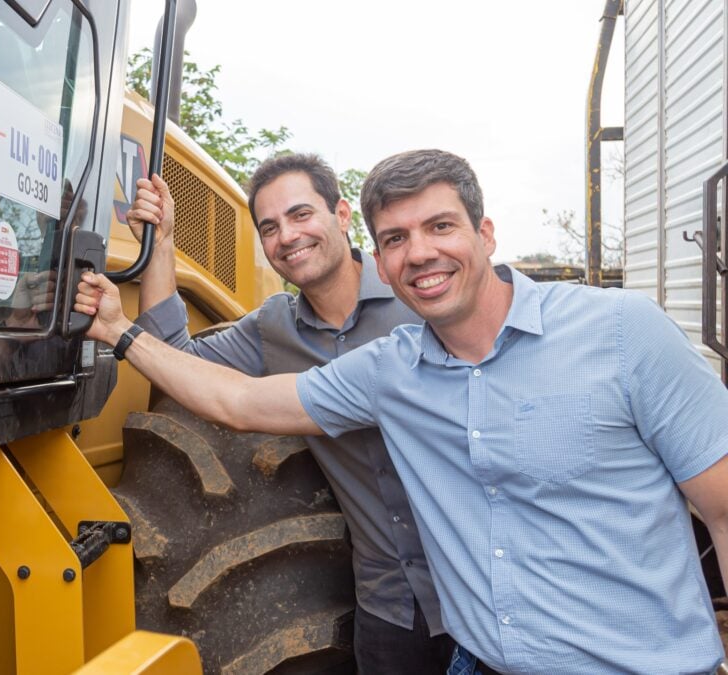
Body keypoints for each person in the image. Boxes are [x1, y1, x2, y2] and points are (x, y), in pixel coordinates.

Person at [79, 149, 728, 674]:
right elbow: (218, 389)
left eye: (440, 227)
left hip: (574, 638)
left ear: (485, 234)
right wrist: (136, 294)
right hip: (402, 607)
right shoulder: (378, 363)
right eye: (269, 227)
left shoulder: (598, 328)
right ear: (385, 260)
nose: (419, 254)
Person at [124, 154, 452, 673]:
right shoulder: (271, 329)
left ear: (341, 215)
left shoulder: (419, 297)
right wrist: (161, 244)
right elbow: (173, 360)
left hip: (474, 586)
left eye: (301, 215)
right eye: (270, 227)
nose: (288, 236)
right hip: (389, 606)